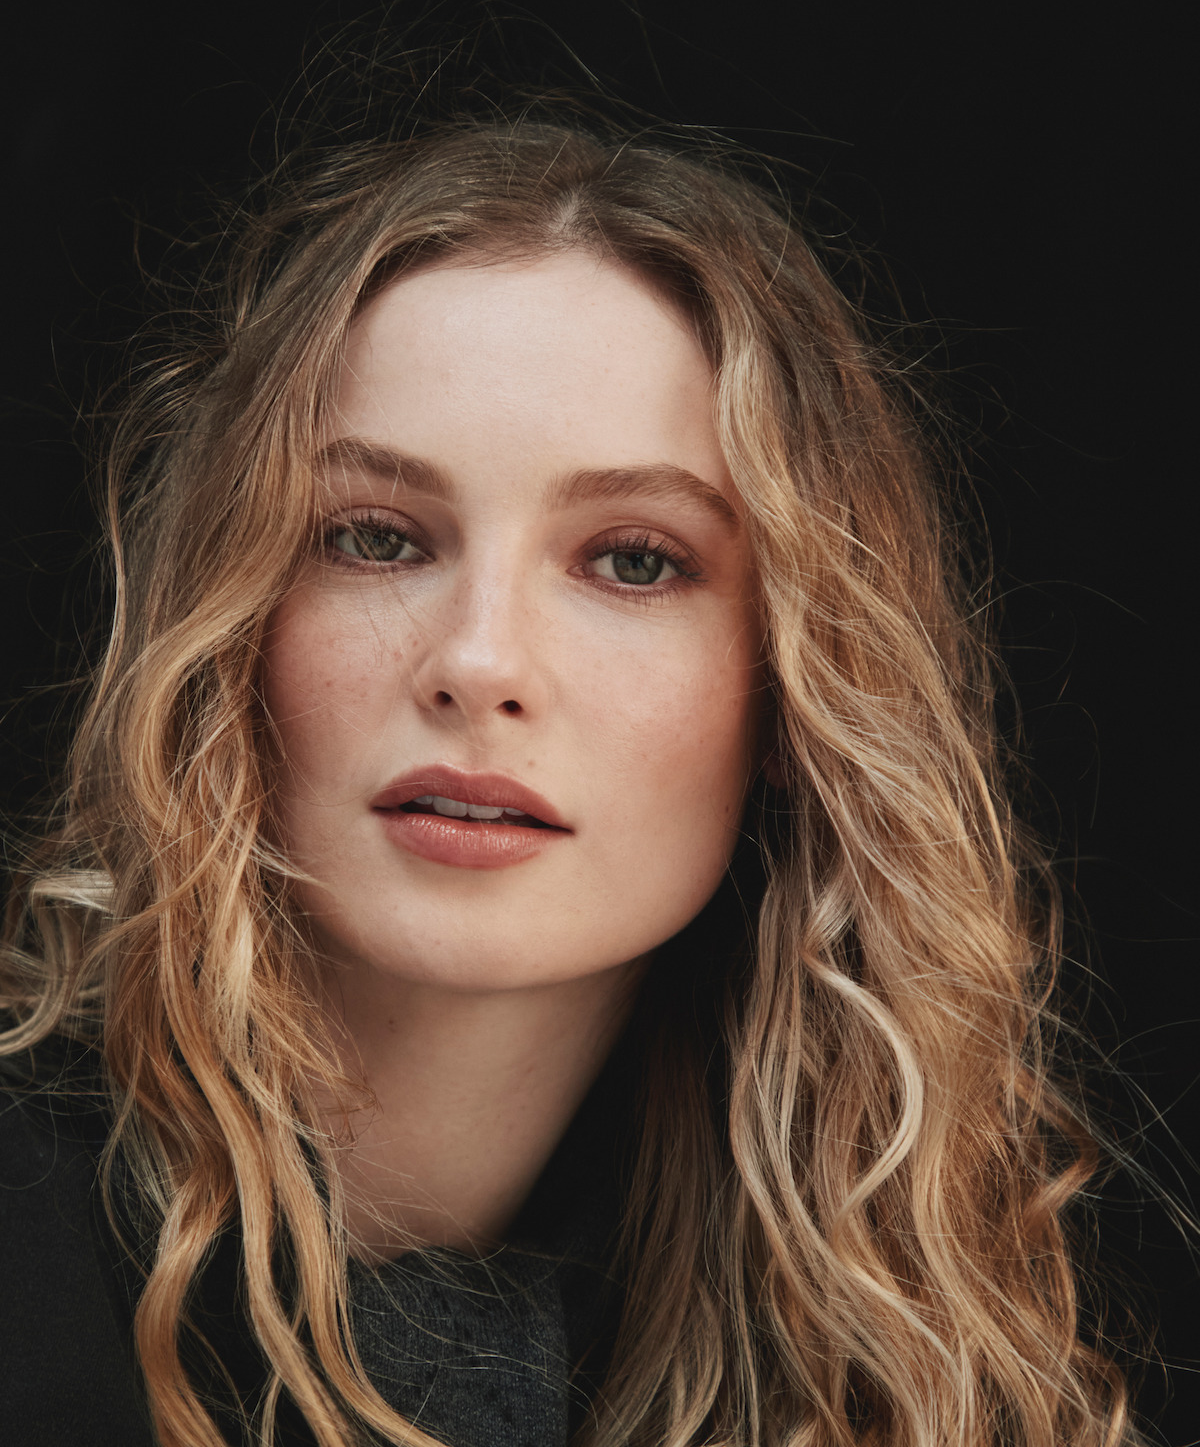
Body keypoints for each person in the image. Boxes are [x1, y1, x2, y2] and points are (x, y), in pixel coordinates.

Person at [0, 107, 1141, 1446]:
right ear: (233, 616)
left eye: (635, 560)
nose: (478, 664)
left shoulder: (855, 1372)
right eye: (374, 536)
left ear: (797, 690)